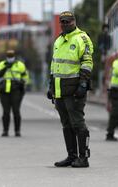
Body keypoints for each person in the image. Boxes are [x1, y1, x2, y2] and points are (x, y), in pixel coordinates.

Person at [47, 11, 93, 168]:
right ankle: (72, 156)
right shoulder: (59, 40)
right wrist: (50, 85)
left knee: (78, 123)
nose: (65, 24)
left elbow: (87, 62)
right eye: (63, 22)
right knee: (66, 124)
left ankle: (83, 157)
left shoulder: (82, 38)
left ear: (74, 21)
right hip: (59, 89)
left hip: (74, 89)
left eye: (68, 21)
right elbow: (54, 65)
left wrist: (82, 84)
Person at [0, 50, 29, 137]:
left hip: (16, 90)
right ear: (6, 56)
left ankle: (17, 131)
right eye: (9, 56)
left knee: (16, 111)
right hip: (4, 90)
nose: (10, 58)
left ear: (14, 56)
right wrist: (6, 67)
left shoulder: (20, 65)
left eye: (12, 56)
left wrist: (23, 83)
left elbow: (25, 77)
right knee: (6, 112)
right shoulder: (2, 64)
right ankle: (5, 131)